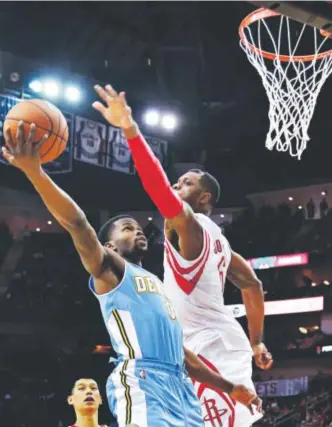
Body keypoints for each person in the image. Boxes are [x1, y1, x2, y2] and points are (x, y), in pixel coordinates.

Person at [2, 123, 260, 427]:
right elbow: (77, 223)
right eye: (126, 227)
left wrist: (231, 388)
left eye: (136, 226)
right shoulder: (109, 270)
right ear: (109, 245)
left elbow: (184, 356)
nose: (137, 229)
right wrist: (36, 172)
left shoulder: (159, 286)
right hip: (142, 379)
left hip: (181, 389)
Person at [93, 84, 273, 427]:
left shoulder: (188, 224)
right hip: (214, 344)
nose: (176, 187)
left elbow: (156, 187)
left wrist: (130, 130)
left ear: (204, 198)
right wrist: (257, 341)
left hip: (210, 346)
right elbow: (252, 283)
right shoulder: (219, 241)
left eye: (185, 183)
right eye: (177, 182)